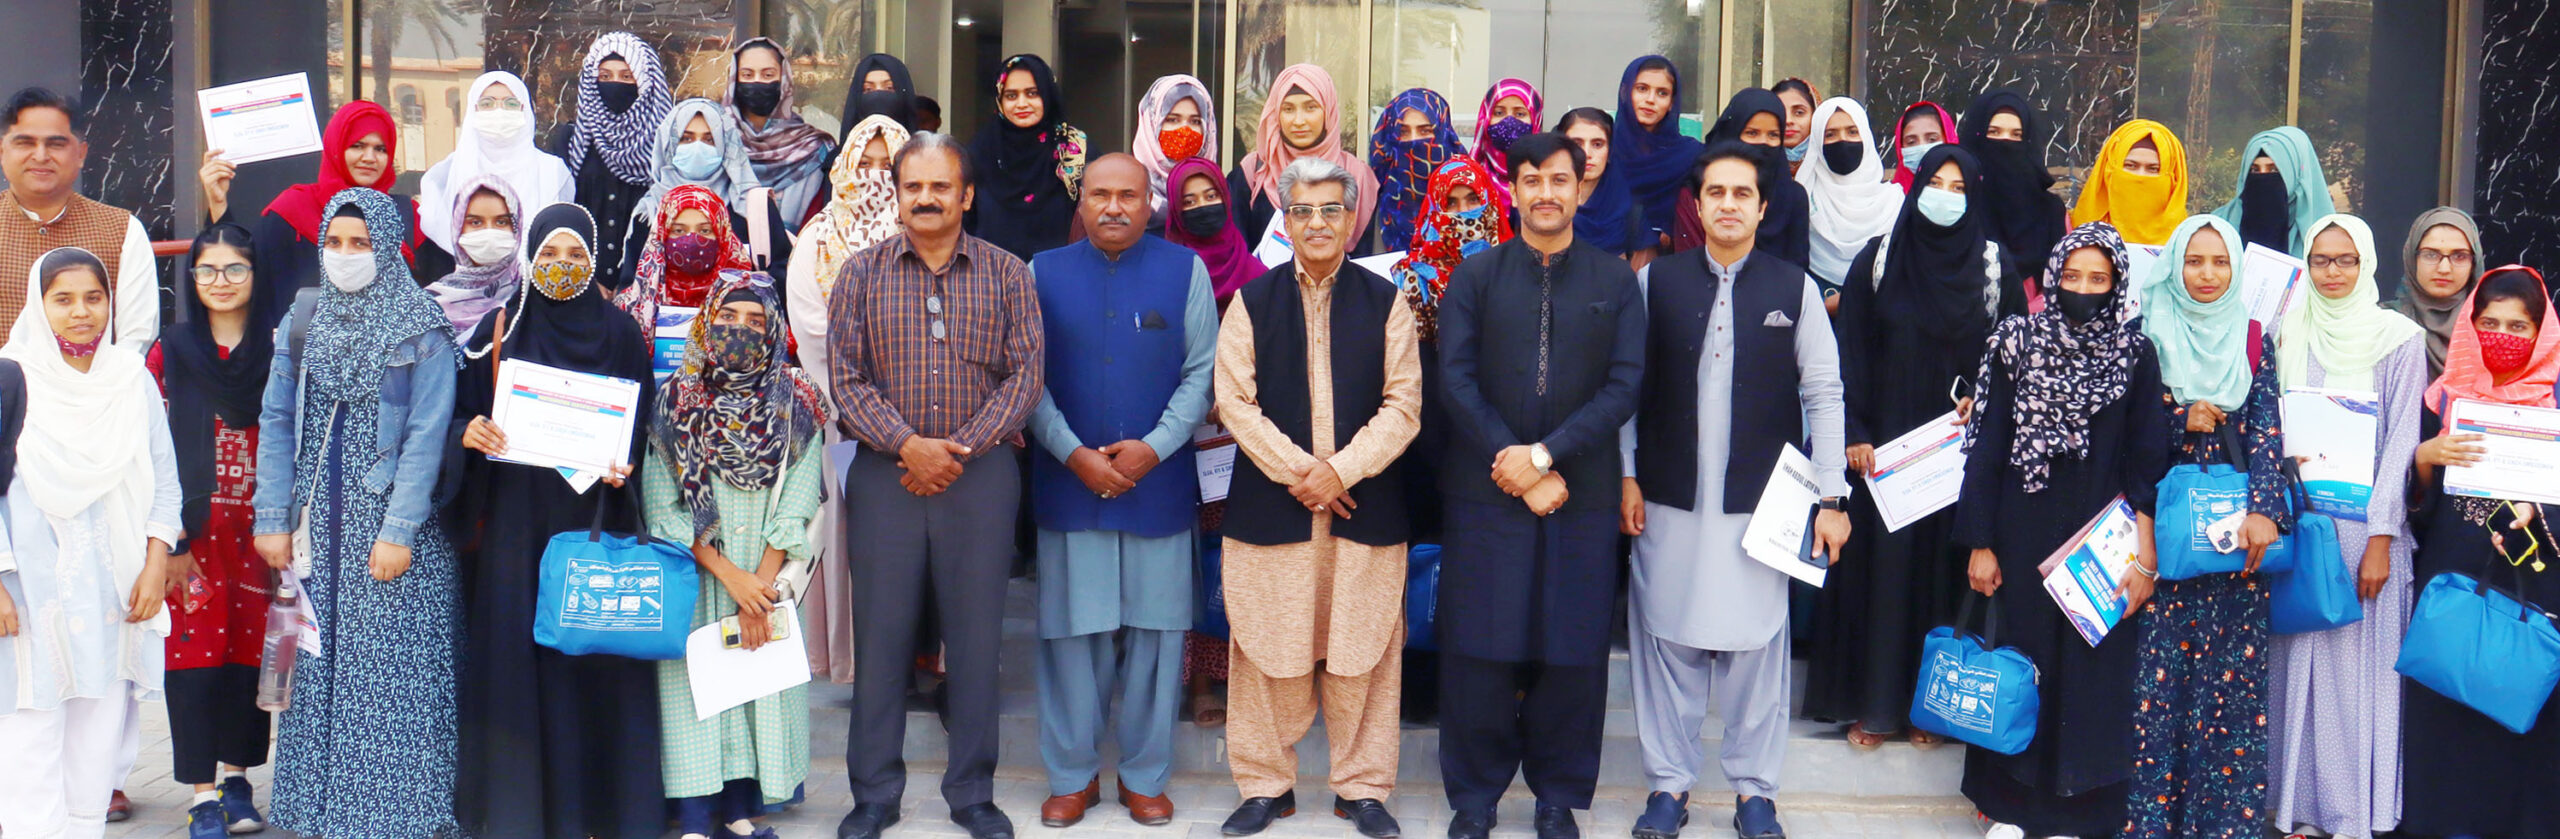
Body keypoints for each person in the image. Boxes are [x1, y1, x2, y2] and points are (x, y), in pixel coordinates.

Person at [1618, 142, 1850, 839]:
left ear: (1762, 206)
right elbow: (1625, 389)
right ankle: (1669, 785)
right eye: (1714, 192)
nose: (1726, 204)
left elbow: (1825, 392)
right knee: (1667, 637)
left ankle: (1755, 792)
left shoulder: (1794, 287)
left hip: (1763, 501)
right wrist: (1626, 473)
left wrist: (1832, 498)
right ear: (1697, 203)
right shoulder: (1656, 283)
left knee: (1756, 646)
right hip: (1668, 494)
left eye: (1740, 193)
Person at [827, 132, 1043, 839]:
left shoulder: (1009, 273)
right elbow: (845, 379)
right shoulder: (859, 274)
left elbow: (1026, 375)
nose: (925, 198)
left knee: (977, 640)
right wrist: (909, 446)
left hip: (981, 477)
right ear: (897, 193)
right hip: (887, 477)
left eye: (940, 186)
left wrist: (960, 448)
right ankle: (874, 794)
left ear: (966, 195)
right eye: (913, 186)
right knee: (883, 638)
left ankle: (972, 792)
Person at [1432, 131, 1645, 839]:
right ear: (1514, 190)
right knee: (1479, 644)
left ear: (1580, 189)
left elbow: (1625, 385)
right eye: (1533, 179)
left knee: (1572, 644)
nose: (1546, 192)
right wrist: (1514, 463)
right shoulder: (1477, 275)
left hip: (1578, 489)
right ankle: (1475, 796)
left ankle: (1557, 795)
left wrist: (1547, 457)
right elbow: (1454, 381)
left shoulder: (1614, 282)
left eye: (1561, 179)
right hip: (1486, 488)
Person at [1209, 156, 1420, 839]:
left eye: (1332, 209)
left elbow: (1405, 405)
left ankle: (1361, 788)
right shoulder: (1252, 300)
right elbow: (1233, 402)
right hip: (1275, 507)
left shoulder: (1387, 300)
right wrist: (1304, 471)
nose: (1318, 222)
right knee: (1266, 646)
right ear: (1287, 219)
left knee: (1366, 650)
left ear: (1352, 218)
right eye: (1303, 210)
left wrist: (1342, 472)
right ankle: (1265, 785)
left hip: (1364, 510)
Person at [444, 199, 661, 839]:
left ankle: (599, 811)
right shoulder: (500, 330)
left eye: (576, 255)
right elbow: (457, 415)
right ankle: (521, 813)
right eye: (549, 255)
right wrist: (470, 432)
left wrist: (626, 463)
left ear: (594, 261)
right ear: (530, 260)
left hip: (595, 520)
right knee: (523, 661)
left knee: (592, 658)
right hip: (518, 530)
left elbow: (640, 423)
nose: (562, 267)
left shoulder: (621, 334)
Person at [252, 187, 462, 839]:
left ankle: (398, 813)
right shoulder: (303, 317)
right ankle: (318, 809)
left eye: (361, 242)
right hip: (318, 522)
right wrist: (271, 515)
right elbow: (278, 417)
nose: (345, 254)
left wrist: (398, 531)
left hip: (390, 527)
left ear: (389, 245)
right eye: (335, 242)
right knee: (317, 663)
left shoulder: (419, 322)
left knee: (393, 672)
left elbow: (427, 432)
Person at [1020, 153, 1214, 829]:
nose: (1113, 207)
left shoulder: (1184, 271)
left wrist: (1154, 449)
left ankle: (1144, 776)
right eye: (1100, 194)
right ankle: (1072, 777)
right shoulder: (1040, 272)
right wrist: (1072, 453)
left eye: (1127, 195)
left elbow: (1201, 375)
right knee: (1073, 636)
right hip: (1069, 482)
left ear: (1150, 201)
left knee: (1159, 641)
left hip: (1156, 488)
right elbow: (1025, 379)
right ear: (1082, 198)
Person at [1806, 144, 2021, 751]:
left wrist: (1982, 400)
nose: (1945, 195)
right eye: (1936, 182)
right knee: (1883, 578)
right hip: (1882, 453)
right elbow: (1846, 352)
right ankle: (1874, 707)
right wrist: (1854, 431)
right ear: (1916, 184)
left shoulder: (1992, 266)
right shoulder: (1878, 259)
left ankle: (1931, 712)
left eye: (1959, 186)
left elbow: (2007, 359)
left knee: (1940, 575)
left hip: (1955, 452)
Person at [1955, 222, 2165, 839]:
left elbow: (2146, 457)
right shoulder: (2015, 342)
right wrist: (1981, 541)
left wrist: (2144, 557)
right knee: (2020, 666)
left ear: (2117, 285)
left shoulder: (2134, 353)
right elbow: (1987, 447)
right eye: (2072, 277)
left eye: (2098, 280)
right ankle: (2008, 810)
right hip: (2021, 534)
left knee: (2094, 676)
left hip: (2103, 541)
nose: (2083, 289)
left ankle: (2076, 815)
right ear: (2052, 279)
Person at [0, 247, 177, 839]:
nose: (82, 312)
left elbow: (165, 479)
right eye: (64, 299)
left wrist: (156, 565)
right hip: (31, 591)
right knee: (27, 741)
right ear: (38, 303)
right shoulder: (11, 377)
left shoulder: (129, 380)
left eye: (94, 297)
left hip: (113, 588)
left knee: (96, 748)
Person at [642, 269, 826, 839]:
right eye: (727, 318)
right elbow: (661, 501)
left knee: (754, 684)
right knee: (695, 687)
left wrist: (759, 593)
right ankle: (698, 817)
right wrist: (730, 578)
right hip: (699, 576)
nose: (740, 330)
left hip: (764, 576)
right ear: (707, 320)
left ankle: (743, 811)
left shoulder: (795, 399)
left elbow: (798, 498)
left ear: (775, 330)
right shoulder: (676, 398)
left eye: (755, 321)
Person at [2122, 214, 2287, 838]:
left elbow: (2269, 431)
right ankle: (2151, 823)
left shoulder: (2251, 339)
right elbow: (2126, 437)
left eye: (2220, 262)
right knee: (2159, 692)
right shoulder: (2145, 337)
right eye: (2195, 261)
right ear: (2173, 267)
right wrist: (2176, 419)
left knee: (2232, 695)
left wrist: (2266, 512)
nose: (2208, 274)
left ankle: (2221, 826)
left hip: (2235, 541)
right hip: (2163, 533)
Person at [2264, 214, 2426, 839]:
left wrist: (2382, 538)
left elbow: (2402, 442)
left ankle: (2350, 813)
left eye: (2346, 260)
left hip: (2364, 535)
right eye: (2321, 260)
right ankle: (2295, 811)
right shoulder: (2286, 330)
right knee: (2293, 667)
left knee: (2354, 682)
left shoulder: (2398, 338)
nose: (2332, 273)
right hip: (2301, 530)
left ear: (2367, 264)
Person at [2400, 265, 2560, 839]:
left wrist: (2539, 512)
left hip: (2533, 590)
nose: (2503, 336)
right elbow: (2411, 504)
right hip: (2450, 580)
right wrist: (2425, 457)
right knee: (2447, 714)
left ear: (2542, 332)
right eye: (2489, 321)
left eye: (2519, 326)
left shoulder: (2557, 397)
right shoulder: (2442, 399)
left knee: (2520, 717)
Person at [152, 225, 289, 839]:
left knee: (249, 657)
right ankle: (202, 793)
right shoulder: (171, 349)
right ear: (192, 279)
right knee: (193, 659)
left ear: (256, 277)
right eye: (208, 271)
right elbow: (152, 446)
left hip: (262, 532)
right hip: (195, 535)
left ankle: (238, 781)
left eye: (236, 270)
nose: (221, 282)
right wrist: (169, 541)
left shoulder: (280, 346)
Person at [784, 113, 908, 684]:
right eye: (868, 162)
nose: (877, 175)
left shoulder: (923, 230)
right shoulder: (819, 234)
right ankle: (850, 659)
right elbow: (811, 325)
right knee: (846, 530)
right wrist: (862, 391)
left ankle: (912, 660)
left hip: (918, 418)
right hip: (843, 422)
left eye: (890, 164)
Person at [0, 91, 154, 348]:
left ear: (81, 154)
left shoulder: (122, 230)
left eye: (56, 144)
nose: (40, 156)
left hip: (97, 387)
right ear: (2, 151)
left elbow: (136, 337)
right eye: (25, 143)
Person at [626, 98, 796, 284]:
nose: (698, 148)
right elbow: (632, 283)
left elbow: (785, 271)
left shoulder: (752, 207)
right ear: (669, 144)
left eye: (709, 140)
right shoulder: (651, 208)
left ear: (726, 145)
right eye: (686, 138)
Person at [555, 32, 675, 293]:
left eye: (626, 76)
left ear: (645, 82)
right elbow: (561, 216)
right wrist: (586, 280)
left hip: (646, 286)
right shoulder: (574, 141)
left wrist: (632, 285)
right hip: (581, 287)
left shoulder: (666, 146)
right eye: (605, 76)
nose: (615, 84)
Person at [417, 71, 573, 256]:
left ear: (525, 111)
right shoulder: (444, 176)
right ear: (472, 110)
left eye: (511, 103)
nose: (499, 111)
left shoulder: (552, 172)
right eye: (487, 103)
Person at [1231, 64, 1380, 255]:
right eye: (1288, 109)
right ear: (1276, 114)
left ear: (1328, 111)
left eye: (1311, 107)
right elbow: (1238, 253)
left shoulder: (1359, 176)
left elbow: (1366, 256)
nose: (1299, 120)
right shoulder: (1254, 172)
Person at [968, 54, 1088, 260]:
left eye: (1032, 93)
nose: (1022, 104)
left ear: (1048, 95)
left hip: (1058, 276)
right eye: (1011, 96)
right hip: (990, 278)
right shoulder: (980, 151)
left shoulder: (1075, 150)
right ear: (999, 100)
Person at [1680, 89, 1810, 273]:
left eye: (1773, 135)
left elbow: (1798, 270)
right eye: (1752, 133)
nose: (1763, 143)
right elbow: (1689, 269)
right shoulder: (1697, 193)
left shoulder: (1793, 196)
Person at [1956, 89, 2066, 291]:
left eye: (2017, 135)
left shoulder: (2051, 211)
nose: (2005, 142)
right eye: (1994, 132)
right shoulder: (1958, 205)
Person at [724, 37, 838, 231]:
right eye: (747, 75)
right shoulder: (718, 143)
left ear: (784, 79)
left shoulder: (816, 149)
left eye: (768, 75)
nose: (757, 82)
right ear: (734, 80)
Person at [1795, 97, 1903, 300]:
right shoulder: (1803, 202)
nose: (1842, 140)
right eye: (1830, 134)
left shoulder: (1895, 202)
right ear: (1817, 143)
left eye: (1852, 132)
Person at [618, 184, 754, 332]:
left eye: (704, 230)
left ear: (722, 235)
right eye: (679, 230)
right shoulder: (631, 306)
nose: (691, 240)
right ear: (662, 235)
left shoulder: (750, 299)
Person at [1613, 56, 1705, 254]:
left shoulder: (1691, 155)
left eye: (1662, 93)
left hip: (1672, 268)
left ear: (1672, 102)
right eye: (1642, 89)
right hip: (1605, 262)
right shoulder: (1603, 150)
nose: (1650, 100)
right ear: (1624, 92)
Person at [423, 177, 525, 350]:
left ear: (516, 227)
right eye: (475, 222)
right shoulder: (430, 305)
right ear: (458, 227)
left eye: (501, 222)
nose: (489, 231)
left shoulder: (529, 296)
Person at [2390, 206, 2485, 378]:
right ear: (2412, 258)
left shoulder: (2491, 327)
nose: (2444, 268)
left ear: (2474, 263)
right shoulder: (2385, 325)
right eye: (2431, 255)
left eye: (2460, 256)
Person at [2211, 126, 2333, 256]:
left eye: (2274, 170)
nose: (2264, 178)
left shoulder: (2328, 236)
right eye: (2255, 170)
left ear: (2297, 175)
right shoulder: (2217, 227)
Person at [1367, 88, 1462, 254]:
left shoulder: (1466, 194)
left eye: (1425, 131)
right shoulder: (1370, 197)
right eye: (1403, 132)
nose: (1414, 140)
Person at [2069, 120, 2189, 246]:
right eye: (2130, 165)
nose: (2140, 175)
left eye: (2153, 169)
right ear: (2109, 169)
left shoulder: (2189, 240)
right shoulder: (2068, 229)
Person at [1164, 155, 1265, 303]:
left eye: (1211, 196)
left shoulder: (1259, 276)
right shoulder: (1163, 274)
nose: (1202, 206)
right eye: (1189, 202)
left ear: (1225, 198)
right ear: (1176, 210)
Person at [1554, 108, 1644, 261]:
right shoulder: (1541, 205)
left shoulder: (1631, 213)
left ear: (1610, 150)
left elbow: (1634, 281)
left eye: (1597, 144)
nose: (1587, 153)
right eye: (1577, 143)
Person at [1135, 74, 1220, 223]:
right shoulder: (1127, 187)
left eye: (1195, 121)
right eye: (1172, 120)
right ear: (1152, 123)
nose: (1184, 130)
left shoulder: (1219, 191)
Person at [820, 53, 919, 177]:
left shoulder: (923, 158)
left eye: (889, 88)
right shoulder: (837, 162)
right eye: (868, 89)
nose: (878, 95)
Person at [1470, 78, 1543, 207]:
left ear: (1535, 120)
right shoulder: (1469, 177)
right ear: (1486, 118)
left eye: (1520, 114)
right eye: (1499, 113)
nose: (1509, 121)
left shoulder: (1546, 176)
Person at [1883, 101, 1957, 192]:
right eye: (1911, 142)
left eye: (1932, 139)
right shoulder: (1892, 201)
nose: (1923, 148)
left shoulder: (1970, 195)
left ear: (1949, 139)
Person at [1770, 78, 1819, 174]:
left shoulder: (1829, 165)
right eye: (1780, 112)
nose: (1788, 121)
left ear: (1815, 115)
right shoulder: (1754, 166)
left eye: (1799, 112)